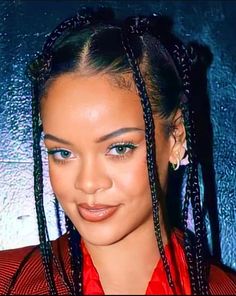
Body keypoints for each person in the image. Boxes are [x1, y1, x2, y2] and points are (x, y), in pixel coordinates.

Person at [0, 6, 235, 295]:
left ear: (176, 138)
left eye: (118, 148)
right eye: (62, 153)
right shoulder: (8, 281)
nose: (88, 183)